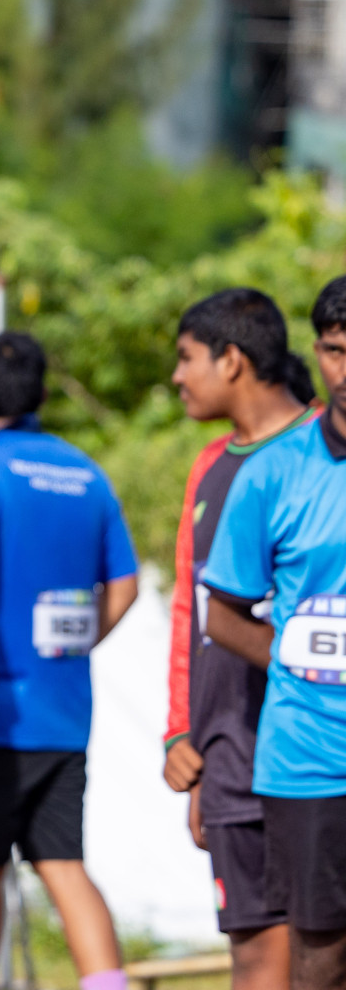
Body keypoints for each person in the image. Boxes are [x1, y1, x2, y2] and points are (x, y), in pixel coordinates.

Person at [0, 332, 139, 990]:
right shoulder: (86, 470)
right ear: (44, 394)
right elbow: (126, 587)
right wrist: (67, 651)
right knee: (64, 863)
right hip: (64, 709)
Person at [163, 289, 316, 987]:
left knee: (323, 951)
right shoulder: (210, 466)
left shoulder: (322, 456)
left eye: (186, 359)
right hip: (228, 757)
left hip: (317, 745)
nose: (177, 377)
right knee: (254, 953)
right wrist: (184, 734)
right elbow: (191, 617)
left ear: (231, 359)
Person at [203, 277, 346, 990]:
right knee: (320, 958)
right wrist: (290, 657)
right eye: (335, 352)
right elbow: (219, 615)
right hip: (308, 759)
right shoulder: (272, 475)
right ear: (317, 353)